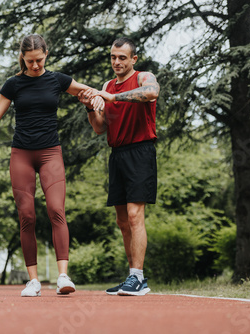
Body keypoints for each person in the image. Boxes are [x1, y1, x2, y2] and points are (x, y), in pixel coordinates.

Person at [0, 34, 103, 297]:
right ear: (23, 58)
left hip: (50, 153)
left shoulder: (58, 80)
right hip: (22, 155)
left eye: (39, 60)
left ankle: (63, 276)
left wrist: (98, 99)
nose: (35, 66)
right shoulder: (13, 84)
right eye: (30, 61)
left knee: (56, 209)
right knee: (27, 215)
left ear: (46, 55)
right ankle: (33, 281)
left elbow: (91, 92)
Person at [80, 37, 160, 296]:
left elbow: (152, 93)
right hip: (117, 155)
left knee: (136, 216)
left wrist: (112, 97)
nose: (117, 62)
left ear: (133, 59)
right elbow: (100, 128)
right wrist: (89, 108)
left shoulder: (143, 78)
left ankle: (137, 276)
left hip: (141, 151)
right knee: (122, 221)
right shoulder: (107, 85)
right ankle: (134, 278)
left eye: (122, 57)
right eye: (113, 57)